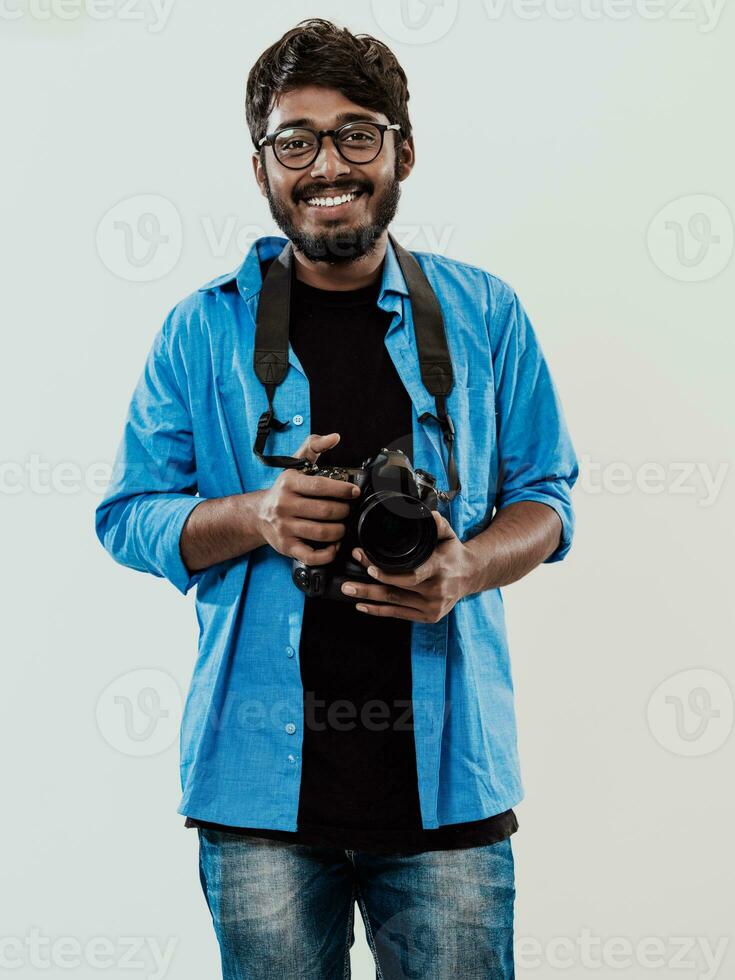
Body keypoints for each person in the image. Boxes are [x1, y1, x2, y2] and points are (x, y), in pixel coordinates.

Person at [95, 17, 578, 980]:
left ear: (402, 148)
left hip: (448, 786)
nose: (328, 164)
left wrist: (467, 567)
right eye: (296, 140)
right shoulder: (201, 329)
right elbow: (127, 513)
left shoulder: (486, 315)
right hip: (259, 800)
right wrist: (254, 515)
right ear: (261, 165)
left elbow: (547, 497)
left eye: (358, 133)